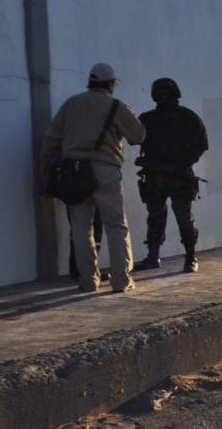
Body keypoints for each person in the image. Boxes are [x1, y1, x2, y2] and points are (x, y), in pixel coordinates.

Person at [40, 63, 145, 293]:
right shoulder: (115, 105)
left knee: (81, 229)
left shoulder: (71, 104)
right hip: (105, 171)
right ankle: (121, 281)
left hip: (74, 172)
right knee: (116, 227)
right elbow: (138, 136)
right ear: (110, 84)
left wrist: (45, 168)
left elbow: (51, 140)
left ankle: (88, 281)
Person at [134, 78, 208, 273]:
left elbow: (201, 144)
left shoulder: (186, 117)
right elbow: (133, 136)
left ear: (174, 94)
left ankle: (191, 256)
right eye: (158, 93)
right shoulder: (147, 119)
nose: (161, 96)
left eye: (165, 93)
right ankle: (152, 257)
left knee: (183, 216)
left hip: (180, 176)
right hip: (154, 177)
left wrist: (182, 165)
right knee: (155, 217)